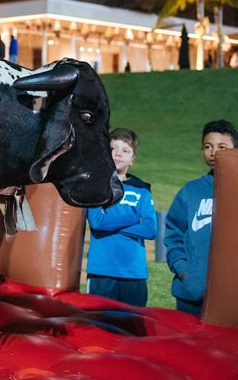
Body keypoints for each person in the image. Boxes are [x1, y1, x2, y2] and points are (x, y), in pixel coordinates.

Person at [165, 119, 238, 316]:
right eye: (208, 146)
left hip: (231, 298)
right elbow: (173, 234)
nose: (214, 152)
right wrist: (184, 271)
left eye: (222, 147)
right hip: (192, 296)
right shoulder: (191, 191)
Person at [85, 128, 156, 306]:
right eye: (113, 148)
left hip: (134, 273)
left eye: (125, 150)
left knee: (133, 328)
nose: (118, 154)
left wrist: (111, 221)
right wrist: (133, 217)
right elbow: (97, 222)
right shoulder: (95, 186)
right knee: (99, 326)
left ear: (132, 159)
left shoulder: (142, 190)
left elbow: (150, 229)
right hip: (102, 271)